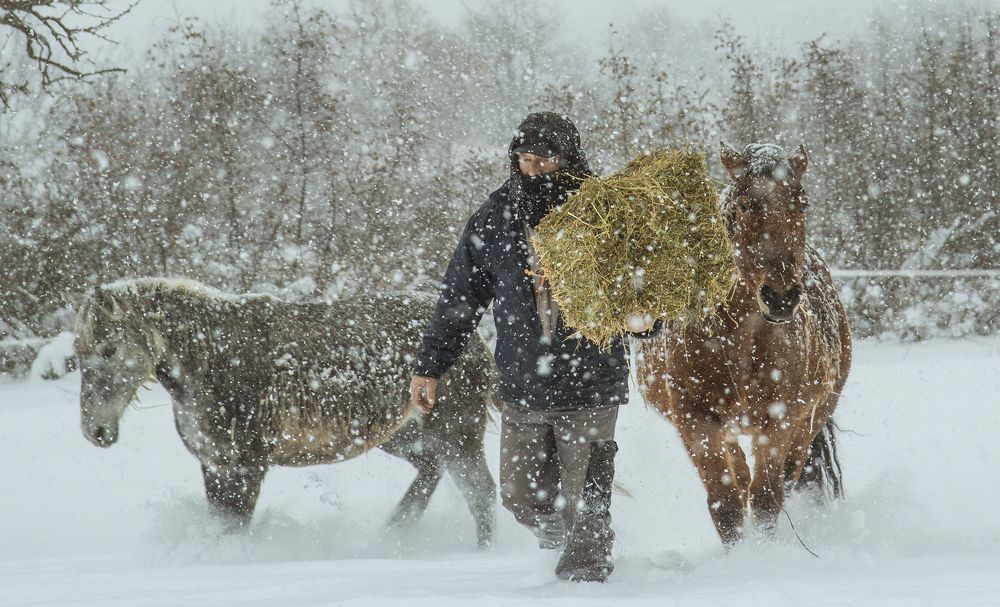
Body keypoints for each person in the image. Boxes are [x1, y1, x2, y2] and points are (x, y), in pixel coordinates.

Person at [409, 111, 659, 583]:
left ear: (568, 158)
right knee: (520, 497)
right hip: (523, 383)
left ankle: (585, 580)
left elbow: (643, 291)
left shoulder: (606, 212)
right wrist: (431, 366)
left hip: (591, 381)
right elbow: (460, 299)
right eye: (525, 160)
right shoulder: (496, 217)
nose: (534, 170)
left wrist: (645, 321)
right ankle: (556, 544)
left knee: (587, 498)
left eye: (544, 161)